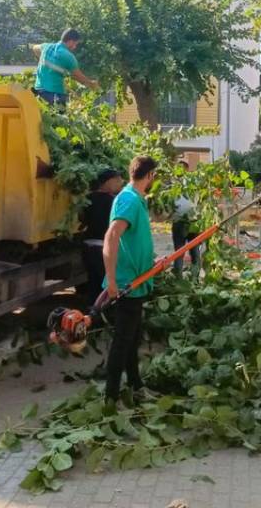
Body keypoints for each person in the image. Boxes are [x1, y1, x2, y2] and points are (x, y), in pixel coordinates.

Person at [102, 155, 157, 408]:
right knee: (122, 342)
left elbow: (134, 240)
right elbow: (112, 237)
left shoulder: (136, 200)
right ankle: (111, 397)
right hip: (126, 285)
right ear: (149, 176)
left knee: (132, 339)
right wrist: (112, 281)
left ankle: (136, 386)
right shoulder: (128, 199)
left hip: (138, 282)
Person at [80, 168, 124, 304]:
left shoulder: (86, 199)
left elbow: (81, 220)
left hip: (87, 245)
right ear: (108, 182)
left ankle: (91, 311)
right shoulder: (113, 201)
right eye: (117, 181)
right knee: (105, 283)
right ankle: (103, 313)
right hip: (103, 247)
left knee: (92, 281)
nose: (120, 184)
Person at [31, 28, 99, 106]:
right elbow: (78, 76)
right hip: (54, 95)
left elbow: (34, 48)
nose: (75, 47)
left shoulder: (46, 47)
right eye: (75, 44)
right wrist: (91, 84)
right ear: (70, 41)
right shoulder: (68, 56)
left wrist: (45, 59)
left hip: (38, 92)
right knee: (58, 117)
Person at [171, 160, 203, 278]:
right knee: (183, 252)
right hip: (183, 221)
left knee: (188, 251)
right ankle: (184, 278)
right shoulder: (173, 185)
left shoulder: (178, 185)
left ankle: (190, 278)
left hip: (189, 221)